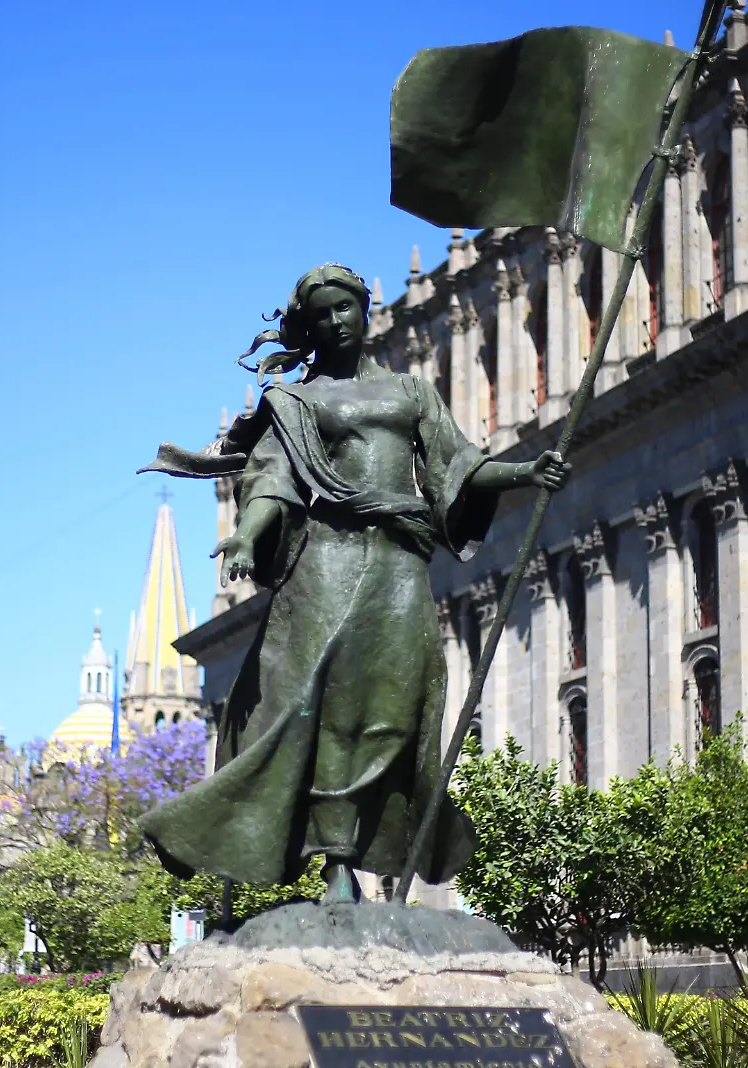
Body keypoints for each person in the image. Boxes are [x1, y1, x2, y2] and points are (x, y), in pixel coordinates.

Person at [138, 264, 570, 903]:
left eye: (345, 308)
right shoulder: (298, 401)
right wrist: (247, 535)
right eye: (322, 315)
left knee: (396, 709)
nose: (336, 321)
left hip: (399, 563)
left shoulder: (412, 392)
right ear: (307, 329)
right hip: (329, 564)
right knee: (327, 711)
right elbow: (273, 481)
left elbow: (457, 466)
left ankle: (370, 848)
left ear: (365, 311)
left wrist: (526, 471)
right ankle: (335, 863)